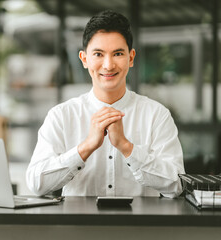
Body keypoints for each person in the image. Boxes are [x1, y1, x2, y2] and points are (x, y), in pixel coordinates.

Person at [26, 10, 185, 198]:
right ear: (84, 59)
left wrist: (126, 147)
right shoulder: (61, 115)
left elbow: (177, 184)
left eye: (117, 53)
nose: (108, 65)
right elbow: (36, 184)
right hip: (78, 226)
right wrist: (85, 147)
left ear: (131, 58)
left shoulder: (156, 114)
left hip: (141, 226)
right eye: (98, 54)